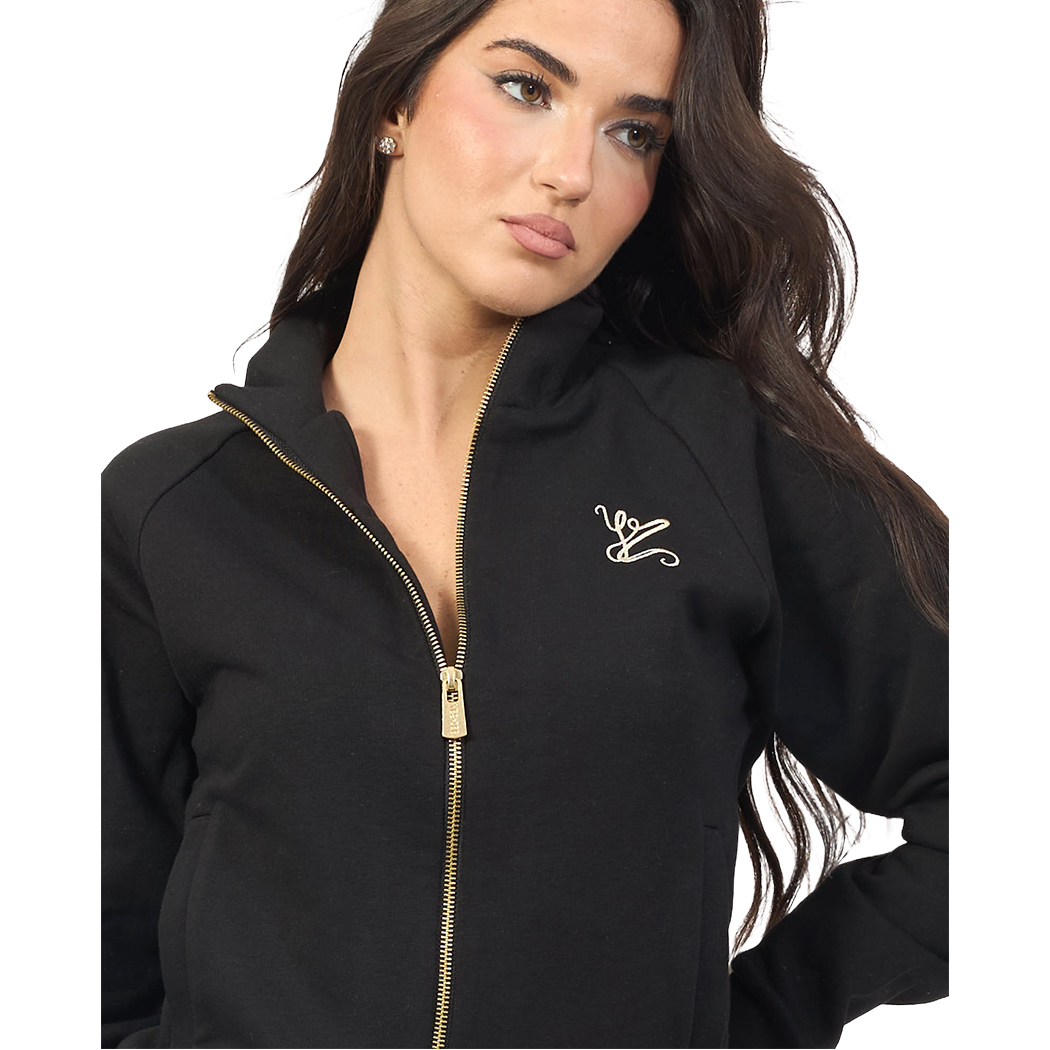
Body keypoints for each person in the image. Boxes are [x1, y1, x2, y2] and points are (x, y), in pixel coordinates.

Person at [101, 0, 948, 1046]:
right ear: (397, 100)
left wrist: (756, 1020)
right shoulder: (172, 508)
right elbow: (98, 955)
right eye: (526, 87)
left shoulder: (719, 461)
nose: (572, 173)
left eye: (634, 133)